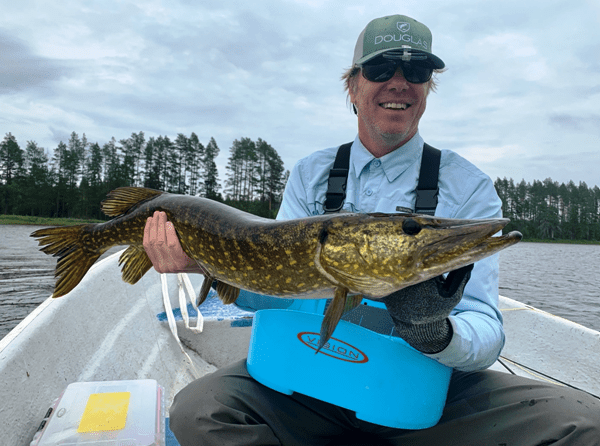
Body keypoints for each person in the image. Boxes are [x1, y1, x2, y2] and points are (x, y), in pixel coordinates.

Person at [144, 14, 600, 446]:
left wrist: (434, 332)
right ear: (354, 86)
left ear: (427, 88)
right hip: (307, 380)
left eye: (417, 70)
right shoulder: (312, 174)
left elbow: (484, 330)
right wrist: (201, 261)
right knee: (200, 413)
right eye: (381, 67)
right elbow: (275, 291)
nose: (399, 82)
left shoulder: (468, 188)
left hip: (424, 396)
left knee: (584, 425)